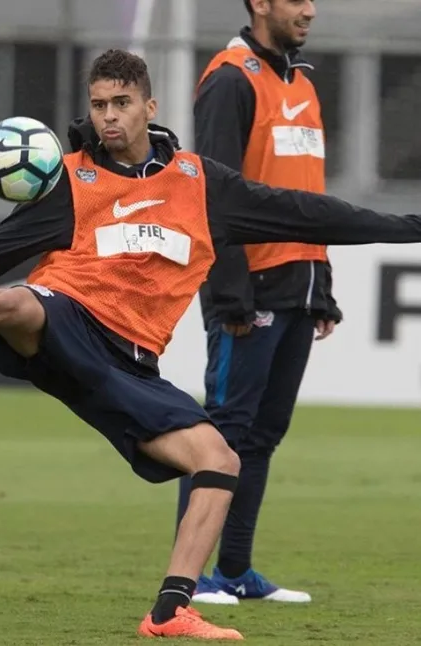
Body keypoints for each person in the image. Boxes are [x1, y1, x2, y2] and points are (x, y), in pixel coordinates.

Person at [0, 48, 421, 641]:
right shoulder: (74, 180)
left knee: (220, 461)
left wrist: (408, 227)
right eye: (98, 106)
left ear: (149, 107)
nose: (108, 117)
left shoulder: (202, 184)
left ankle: (170, 611)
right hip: (67, 318)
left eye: (121, 104)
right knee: (7, 300)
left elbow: (312, 214)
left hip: (130, 366)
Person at [177, 0, 333, 605]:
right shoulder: (229, 80)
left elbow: (308, 191)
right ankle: (189, 581)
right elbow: (211, 193)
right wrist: (230, 293)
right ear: (260, 3)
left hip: (299, 283)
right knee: (222, 433)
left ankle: (235, 571)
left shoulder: (303, 80)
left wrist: (323, 284)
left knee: (263, 435)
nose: (311, 10)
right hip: (251, 287)